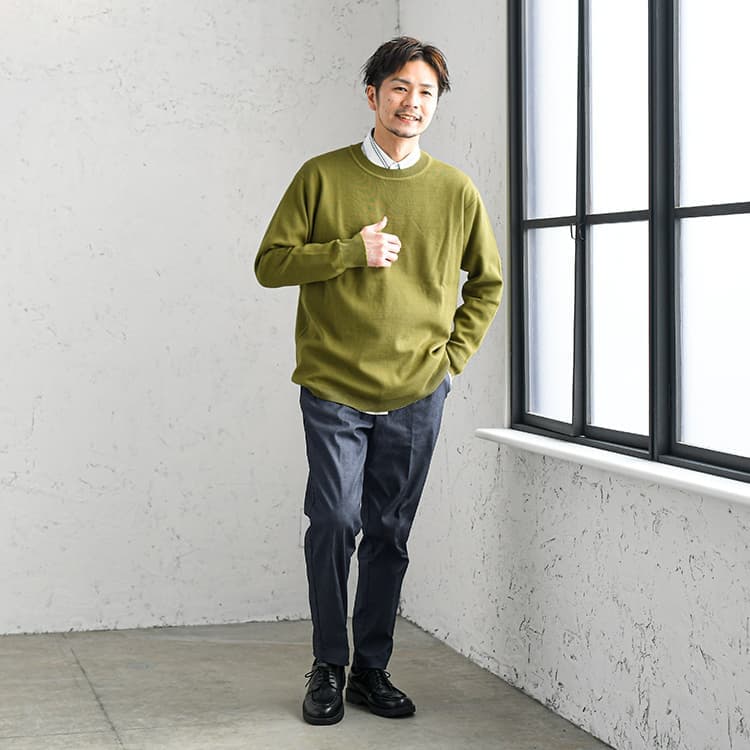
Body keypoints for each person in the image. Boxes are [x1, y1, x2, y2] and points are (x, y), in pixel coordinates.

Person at [255, 36, 503, 725]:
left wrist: (450, 360)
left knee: (390, 533)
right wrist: (347, 252)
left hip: (418, 390)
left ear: (435, 103)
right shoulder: (322, 176)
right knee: (335, 522)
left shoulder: (455, 190)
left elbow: (487, 283)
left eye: (425, 92)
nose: (411, 102)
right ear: (373, 95)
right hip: (334, 384)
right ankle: (328, 666)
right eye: (399, 88)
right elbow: (270, 264)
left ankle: (370, 669)